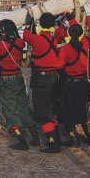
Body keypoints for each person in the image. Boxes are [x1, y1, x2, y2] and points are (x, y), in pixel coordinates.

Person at [0, 19, 38, 150]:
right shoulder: (20, 42)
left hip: (7, 82)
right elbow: (22, 41)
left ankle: (23, 142)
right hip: (19, 79)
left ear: (3, 32)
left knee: (10, 112)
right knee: (23, 107)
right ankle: (36, 139)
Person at [23, 12, 63, 152]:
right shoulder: (54, 40)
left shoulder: (37, 40)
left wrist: (28, 24)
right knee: (51, 109)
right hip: (53, 77)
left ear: (41, 24)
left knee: (43, 111)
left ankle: (53, 144)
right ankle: (57, 139)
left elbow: (26, 36)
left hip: (42, 78)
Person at [57, 23, 90, 146]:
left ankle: (73, 139)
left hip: (71, 83)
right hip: (84, 83)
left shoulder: (65, 49)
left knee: (68, 111)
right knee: (84, 109)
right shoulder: (86, 44)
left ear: (68, 34)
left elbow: (59, 65)